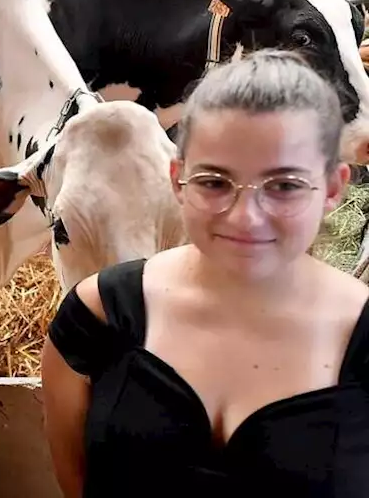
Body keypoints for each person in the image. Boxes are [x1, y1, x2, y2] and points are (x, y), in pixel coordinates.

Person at [42, 49, 369, 497]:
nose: (245, 218)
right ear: (177, 179)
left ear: (333, 188)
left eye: (285, 185)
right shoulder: (95, 319)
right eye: (214, 182)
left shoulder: (364, 340)